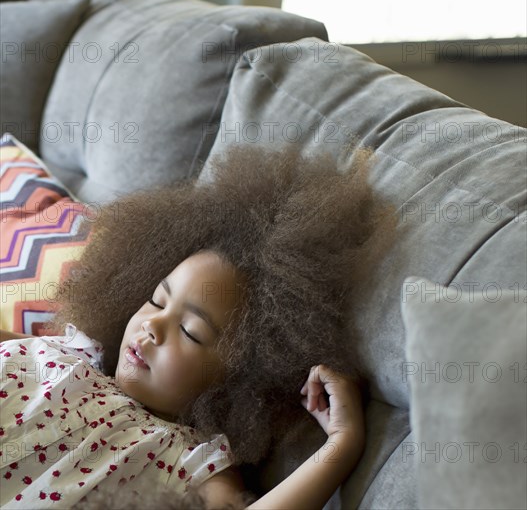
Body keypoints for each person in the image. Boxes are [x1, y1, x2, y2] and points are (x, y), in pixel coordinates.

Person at [0, 142, 399, 509]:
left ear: (238, 382)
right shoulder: (69, 352)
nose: (153, 325)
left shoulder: (192, 462)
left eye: (191, 332)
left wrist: (342, 445)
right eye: (156, 299)